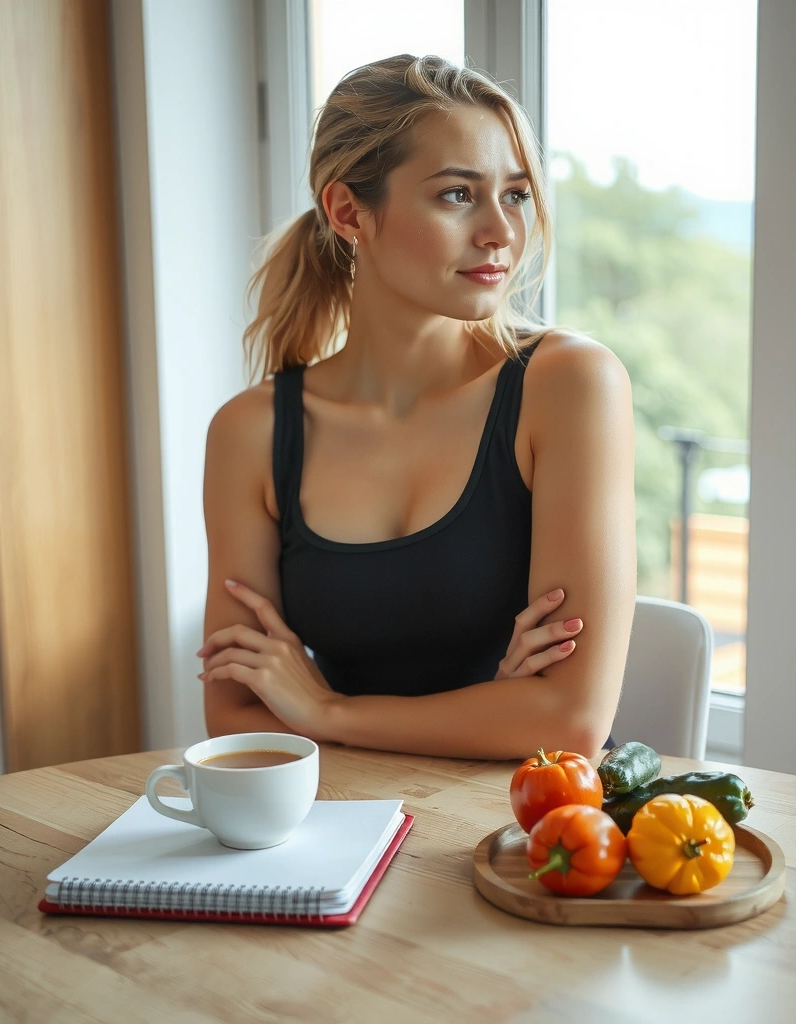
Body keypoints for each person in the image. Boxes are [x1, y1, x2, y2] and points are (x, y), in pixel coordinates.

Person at [197, 54, 636, 760]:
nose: (500, 231)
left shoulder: (569, 385)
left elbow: (569, 724)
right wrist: (495, 708)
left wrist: (327, 710)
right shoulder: (252, 433)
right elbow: (238, 714)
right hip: (348, 824)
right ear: (349, 212)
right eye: (458, 195)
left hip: (536, 831)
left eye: (516, 195)